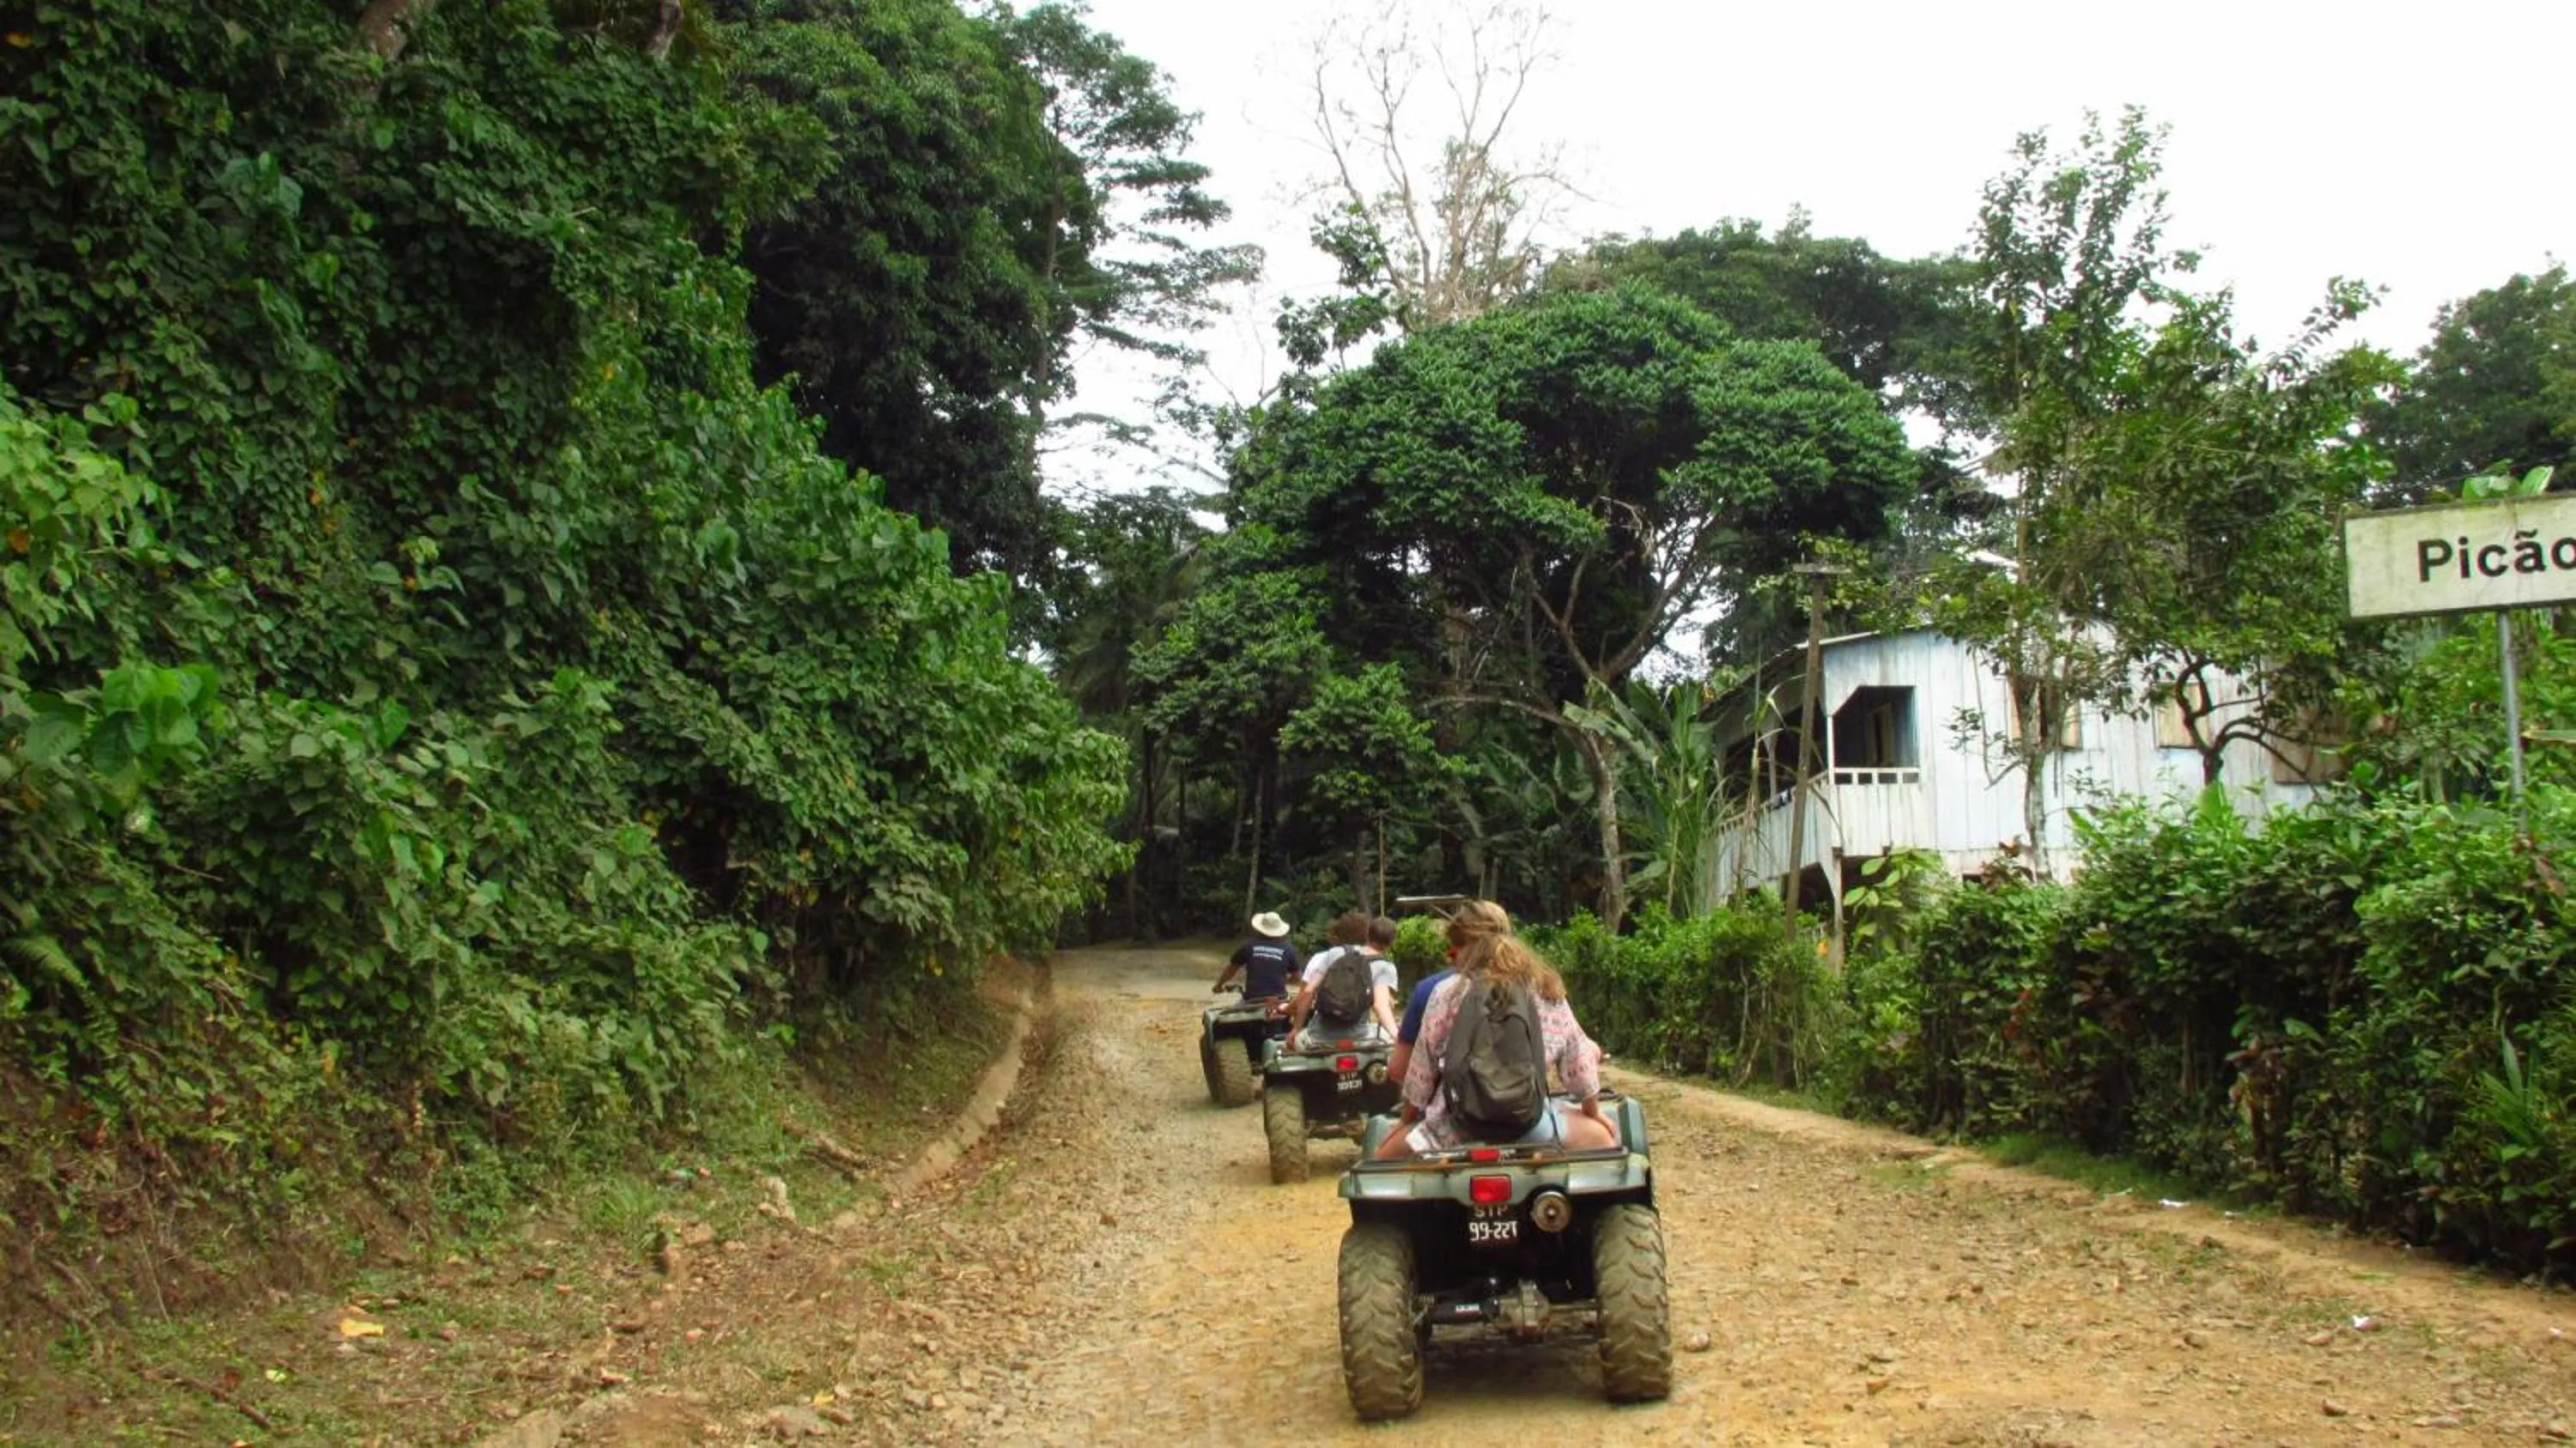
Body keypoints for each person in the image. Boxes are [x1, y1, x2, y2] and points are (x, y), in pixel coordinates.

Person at [1373, 899, 1619, 1159]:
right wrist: (1593, 1112)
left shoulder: (1446, 993)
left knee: (1381, 1163)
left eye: (1455, 947)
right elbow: (1579, 1063)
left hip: (1455, 1129)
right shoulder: (1543, 988)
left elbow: (1421, 1075)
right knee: (1605, 1142)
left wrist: (1406, 1120)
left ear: (1464, 947)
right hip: (1529, 1126)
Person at [1287, 910, 1400, 1046]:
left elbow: (1308, 991)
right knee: (1383, 1037)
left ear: (1368, 935)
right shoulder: (1385, 966)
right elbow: (1381, 1006)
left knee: (1295, 1043)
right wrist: (1396, 1036)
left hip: (1318, 1038)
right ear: (1391, 942)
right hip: (1360, 1039)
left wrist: (1296, 1029)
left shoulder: (1335, 953)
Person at [1213, 910, 1299, 1001]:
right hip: (1278, 1000)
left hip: (1253, 998)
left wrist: (1219, 985)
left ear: (1259, 929)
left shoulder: (1248, 946)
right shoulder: (1288, 950)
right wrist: (1281, 981)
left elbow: (1231, 970)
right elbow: (1297, 977)